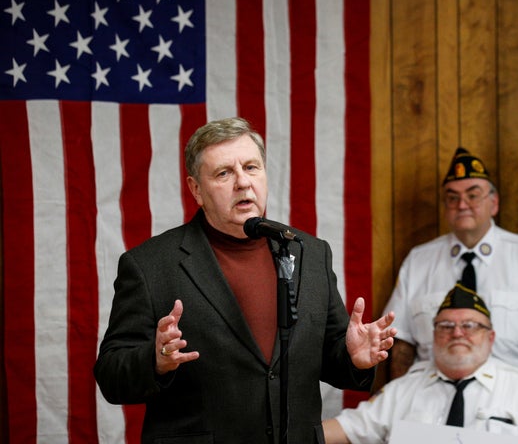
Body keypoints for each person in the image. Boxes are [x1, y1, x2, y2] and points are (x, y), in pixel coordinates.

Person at [94, 117, 397, 443]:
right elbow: (111, 374)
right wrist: (155, 361)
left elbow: (327, 356)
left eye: (251, 167)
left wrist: (352, 356)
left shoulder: (309, 251)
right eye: (224, 173)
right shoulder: (151, 264)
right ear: (196, 189)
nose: (242, 182)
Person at [383, 147, 518, 390]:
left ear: (493, 203)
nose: (462, 204)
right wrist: (401, 403)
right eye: (452, 197)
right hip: (432, 394)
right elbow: (401, 344)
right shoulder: (419, 261)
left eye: (473, 195)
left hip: (513, 395)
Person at [323, 283, 518, 443]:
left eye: (470, 326)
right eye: (446, 326)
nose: (457, 333)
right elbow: (344, 430)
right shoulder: (403, 390)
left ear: (491, 337)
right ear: (433, 335)